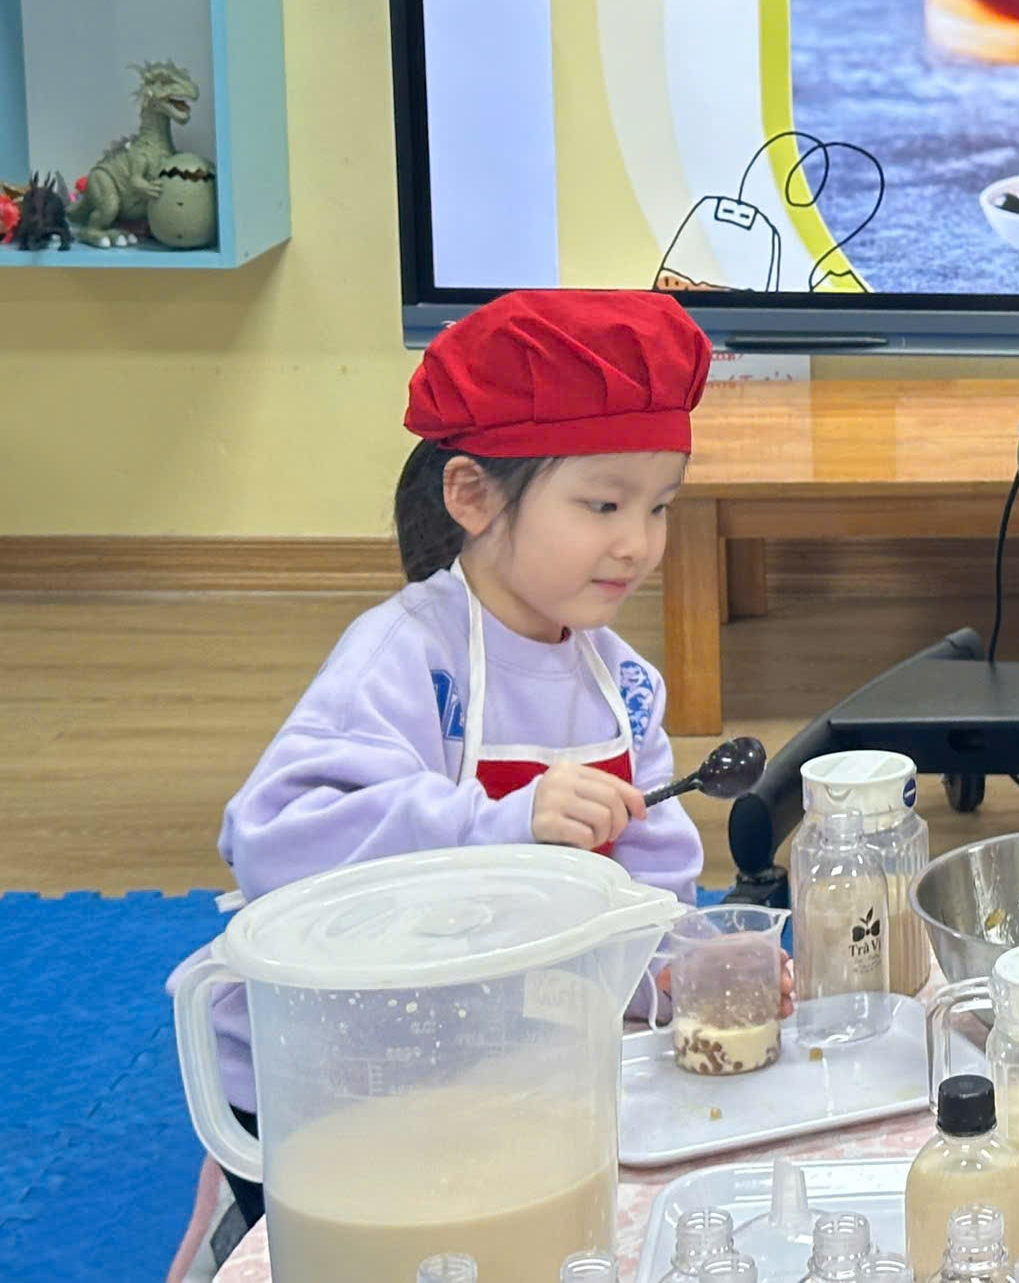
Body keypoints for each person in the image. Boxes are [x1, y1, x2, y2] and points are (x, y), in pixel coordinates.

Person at [189, 288, 712, 1230]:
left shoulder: (621, 683)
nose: (638, 544)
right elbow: (273, 841)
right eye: (602, 503)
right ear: (472, 496)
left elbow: (652, 877)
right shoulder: (401, 657)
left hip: (491, 1056)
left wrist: (675, 967)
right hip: (336, 1085)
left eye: (661, 506)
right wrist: (503, 826)